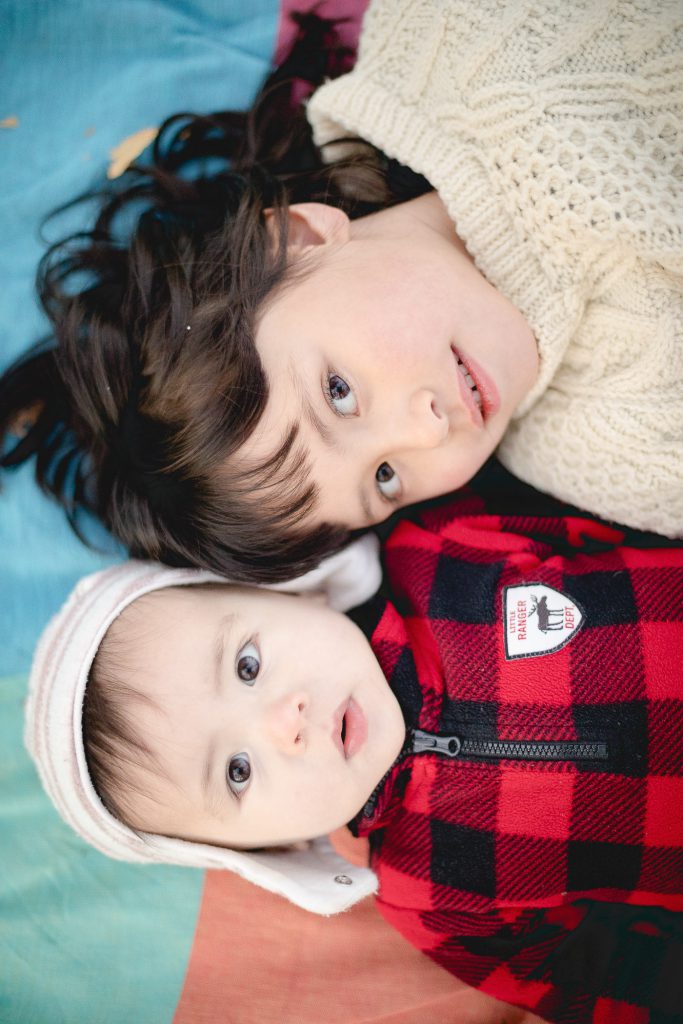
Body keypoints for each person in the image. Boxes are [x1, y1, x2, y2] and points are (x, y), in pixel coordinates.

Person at [1, 2, 681, 585]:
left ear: (298, 237)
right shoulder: (608, 454)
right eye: (384, 479)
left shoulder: (460, 40)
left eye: (339, 393)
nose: (425, 432)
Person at [26, 494, 683, 1023]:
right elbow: (610, 977)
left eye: (247, 665)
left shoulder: (442, 547)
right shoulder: (430, 904)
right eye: (237, 772)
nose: (285, 722)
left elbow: (631, 508)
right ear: (268, 851)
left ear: (287, 592)